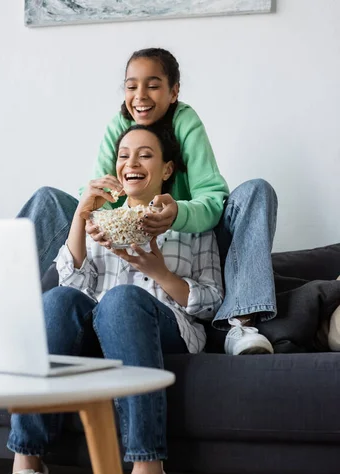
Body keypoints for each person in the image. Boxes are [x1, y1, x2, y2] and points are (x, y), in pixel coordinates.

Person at [0, 124, 224, 474]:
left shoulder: (193, 224)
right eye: (124, 155)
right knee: (58, 299)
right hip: (100, 327)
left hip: (167, 326)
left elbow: (211, 304)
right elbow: (68, 281)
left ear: (166, 168)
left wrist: (159, 270)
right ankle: (27, 467)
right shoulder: (102, 220)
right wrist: (81, 220)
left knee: (123, 300)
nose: (131, 163)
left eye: (145, 155)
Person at [19, 47, 278, 356]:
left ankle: (240, 324)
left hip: (190, 231)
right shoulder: (119, 124)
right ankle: (4, 312)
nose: (140, 95)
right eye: (131, 86)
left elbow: (212, 198)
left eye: (153, 85)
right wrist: (97, 220)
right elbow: (103, 194)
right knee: (47, 199)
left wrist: (177, 213)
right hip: (128, 233)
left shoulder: (185, 121)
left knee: (256, 191)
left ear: (174, 92)